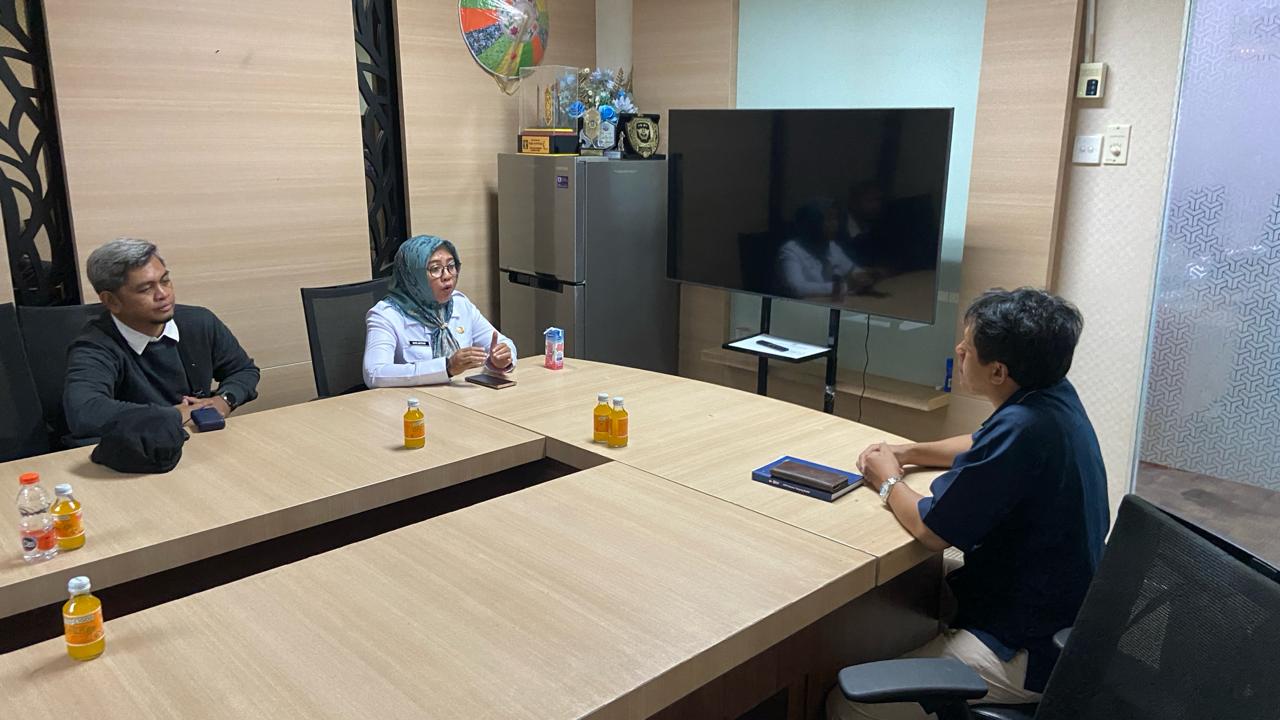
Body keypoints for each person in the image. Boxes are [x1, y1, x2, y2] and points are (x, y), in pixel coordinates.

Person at [828, 288, 1109, 720]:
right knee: (897, 600)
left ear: (998, 371)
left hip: (1025, 647)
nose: (958, 350)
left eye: (968, 347)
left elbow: (932, 530)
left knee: (849, 704)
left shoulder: (1023, 428)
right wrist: (908, 451)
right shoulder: (1050, 396)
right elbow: (980, 443)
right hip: (1062, 610)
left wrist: (887, 481)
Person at [64, 238, 260, 440]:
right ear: (111, 301)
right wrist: (174, 415)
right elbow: (84, 412)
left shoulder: (199, 322)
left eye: (165, 281)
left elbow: (243, 370)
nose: (163, 294)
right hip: (137, 448)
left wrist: (224, 400)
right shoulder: (94, 346)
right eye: (146, 289)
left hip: (198, 440)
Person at [364, 234, 516, 387]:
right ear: (413, 276)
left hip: (461, 396)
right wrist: (447, 368)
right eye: (435, 269)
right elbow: (375, 373)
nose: (447, 276)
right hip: (413, 399)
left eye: (451, 266)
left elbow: (502, 343)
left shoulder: (459, 303)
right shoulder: (386, 315)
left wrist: (502, 359)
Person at [777, 200, 857, 298]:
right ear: (813, 223)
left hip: (831, 303)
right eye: (829, 219)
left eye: (835, 219)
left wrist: (863, 277)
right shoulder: (791, 250)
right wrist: (841, 287)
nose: (835, 224)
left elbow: (852, 271)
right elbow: (797, 288)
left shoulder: (832, 246)